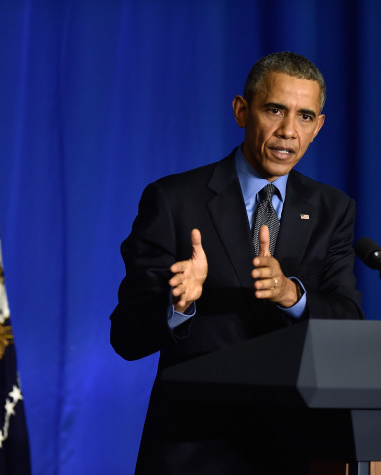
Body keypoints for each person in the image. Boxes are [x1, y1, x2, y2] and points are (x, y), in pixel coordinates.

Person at [110, 52, 364, 474]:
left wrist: (292, 295)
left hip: (297, 454)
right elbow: (126, 336)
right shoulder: (174, 200)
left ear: (319, 127)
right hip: (192, 452)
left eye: (304, 117)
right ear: (241, 111)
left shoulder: (333, 209)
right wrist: (179, 306)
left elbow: (348, 322)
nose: (288, 132)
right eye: (275, 110)